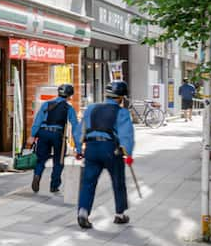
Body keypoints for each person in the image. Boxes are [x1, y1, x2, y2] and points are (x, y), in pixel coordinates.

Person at [75, 79, 135, 229]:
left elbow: (78, 131)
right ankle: (120, 214)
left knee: (88, 182)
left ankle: (83, 211)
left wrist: (79, 149)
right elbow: (126, 135)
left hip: (91, 147)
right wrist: (127, 153)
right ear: (121, 97)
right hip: (110, 149)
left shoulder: (91, 108)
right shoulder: (122, 112)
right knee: (118, 181)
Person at [29, 84, 82, 194]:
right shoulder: (69, 108)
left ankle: (37, 175)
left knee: (41, 159)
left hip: (43, 133)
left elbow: (37, 121)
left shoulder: (46, 104)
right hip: (58, 135)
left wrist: (32, 135)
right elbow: (76, 129)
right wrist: (78, 148)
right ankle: (54, 185)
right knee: (58, 160)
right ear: (69, 96)